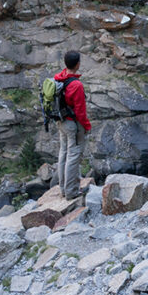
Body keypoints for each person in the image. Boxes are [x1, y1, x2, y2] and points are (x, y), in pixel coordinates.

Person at [54, 50, 91, 199]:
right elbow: (80, 112)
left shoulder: (59, 78)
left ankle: (63, 189)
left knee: (63, 153)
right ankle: (72, 192)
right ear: (77, 64)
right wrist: (87, 126)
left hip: (61, 121)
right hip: (72, 125)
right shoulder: (76, 85)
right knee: (73, 156)